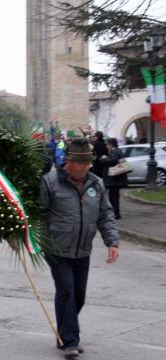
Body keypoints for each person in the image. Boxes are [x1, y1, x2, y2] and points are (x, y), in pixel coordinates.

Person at [40, 138, 120, 359]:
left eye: (88, 163)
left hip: (83, 249)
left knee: (79, 296)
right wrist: (40, 241)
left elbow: (106, 214)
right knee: (66, 290)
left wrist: (112, 241)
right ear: (68, 162)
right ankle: (70, 341)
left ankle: (63, 333)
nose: (85, 167)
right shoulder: (50, 182)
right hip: (57, 249)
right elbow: (39, 213)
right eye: (81, 163)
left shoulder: (96, 183)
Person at [100, 138, 128, 220]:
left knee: (114, 197)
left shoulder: (115, 151)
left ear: (111, 144)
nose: (106, 146)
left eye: (107, 144)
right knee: (112, 197)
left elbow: (113, 161)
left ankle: (116, 214)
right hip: (114, 179)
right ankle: (114, 213)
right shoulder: (114, 151)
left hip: (115, 179)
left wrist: (105, 158)